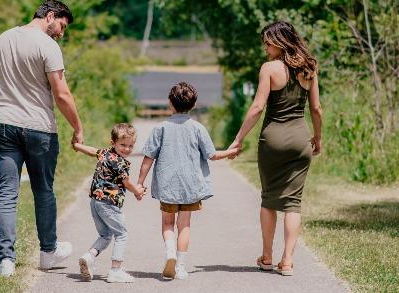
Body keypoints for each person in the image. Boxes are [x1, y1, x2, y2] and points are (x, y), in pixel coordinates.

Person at [0, 0, 85, 277]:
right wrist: (78, 128)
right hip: (39, 128)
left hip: (4, 124)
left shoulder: (1, 40)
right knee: (43, 191)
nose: (61, 33)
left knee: (6, 194)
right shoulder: (48, 46)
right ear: (50, 16)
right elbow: (62, 94)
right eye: (62, 26)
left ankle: (6, 261)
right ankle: (48, 253)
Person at [228, 21, 322, 277]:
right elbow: (316, 109)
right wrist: (318, 137)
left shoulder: (269, 68)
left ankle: (267, 256)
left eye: (267, 42)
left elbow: (258, 107)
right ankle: (288, 261)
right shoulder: (309, 68)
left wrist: (238, 138)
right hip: (301, 140)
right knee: (293, 203)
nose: (265, 47)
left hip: (272, 140)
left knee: (269, 199)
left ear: (279, 42)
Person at [137, 82, 239, 280]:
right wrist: (231, 152)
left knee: (167, 223)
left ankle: (170, 254)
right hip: (191, 186)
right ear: (193, 105)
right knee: (184, 226)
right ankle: (181, 267)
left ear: (170, 103)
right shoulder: (198, 128)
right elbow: (212, 155)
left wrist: (140, 182)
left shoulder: (160, 128)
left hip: (168, 187)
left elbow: (147, 159)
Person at [73, 123, 146, 283]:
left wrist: (77, 146)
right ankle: (115, 270)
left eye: (130, 146)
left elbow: (92, 150)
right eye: (123, 145)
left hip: (95, 202)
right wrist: (138, 192)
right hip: (109, 204)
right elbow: (126, 183)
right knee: (121, 234)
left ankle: (89, 256)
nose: (126, 149)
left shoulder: (105, 153)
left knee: (106, 234)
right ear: (113, 142)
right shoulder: (121, 163)